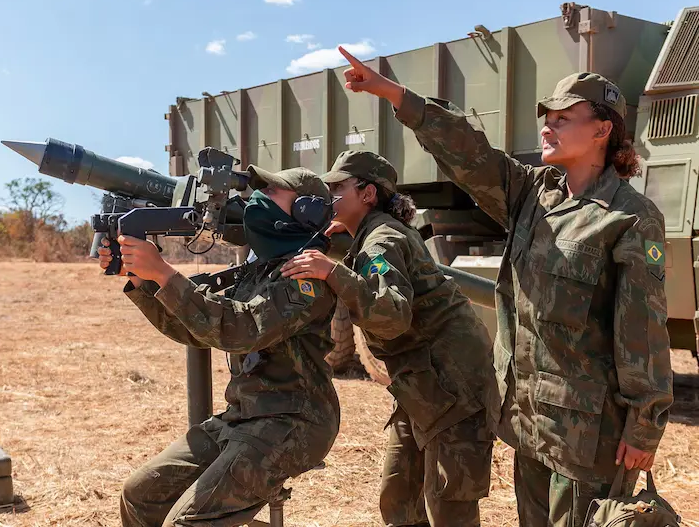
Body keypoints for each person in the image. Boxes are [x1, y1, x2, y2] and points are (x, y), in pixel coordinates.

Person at [333, 46, 673, 526]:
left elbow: (643, 332)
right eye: (546, 117)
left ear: (603, 129)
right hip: (528, 422)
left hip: (587, 437)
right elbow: (468, 152)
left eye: (563, 117)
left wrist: (644, 426)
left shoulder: (631, 218)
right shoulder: (531, 193)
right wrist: (393, 93)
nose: (547, 126)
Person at [97, 166, 341, 527]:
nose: (257, 199)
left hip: (293, 421)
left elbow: (241, 329)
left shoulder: (308, 278)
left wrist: (165, 273)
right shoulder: (262, 269)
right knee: (141, 494)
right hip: (244, 414)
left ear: (307, 210)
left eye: (272, 191)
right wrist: (141, 278)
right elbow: (200, 331)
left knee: (186, 522)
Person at [281, 149, 500, 527]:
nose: (327, 194)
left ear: (368, 194)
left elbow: (392, 317)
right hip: (423, 386)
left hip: (454, 386)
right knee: (399, 495)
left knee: (449, 505)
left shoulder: (382, 240)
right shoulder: (370, 234)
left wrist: (334, 273)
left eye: (337, 187)